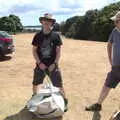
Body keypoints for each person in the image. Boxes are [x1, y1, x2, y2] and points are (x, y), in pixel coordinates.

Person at [31, 13, 68, 111]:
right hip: (40, 65)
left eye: (49, 21)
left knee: (59, 84)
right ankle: (34, 97)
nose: (47, 22)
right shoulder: (37, 36)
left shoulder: (56, 36)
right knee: (35, 83)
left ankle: (65, 100)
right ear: (42, 22)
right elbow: (34, 51)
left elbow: (58, 52)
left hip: (53, 65)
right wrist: (39, 63)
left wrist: (54, 64)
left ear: (52, 23)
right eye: (45, 20)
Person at [85, 11, 120, 111]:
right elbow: (109, 44)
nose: (115, 23)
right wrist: (110, 59)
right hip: (115, 67)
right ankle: (98, 105)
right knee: (106, 86)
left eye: (116, 21)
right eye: (115, 21)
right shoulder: (115, 31)